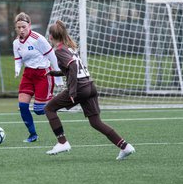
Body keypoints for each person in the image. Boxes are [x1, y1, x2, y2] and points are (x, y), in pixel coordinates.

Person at [45, 20, 135, 160]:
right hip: (89, 85)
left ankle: (62, 142)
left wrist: (73, 91)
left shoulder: (60, 50)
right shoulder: (70, 48)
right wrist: (55, 73)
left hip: (80, 88)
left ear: (50, 37)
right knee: (96, 122)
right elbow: (72, 69)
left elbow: (74, 66)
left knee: (49, 109)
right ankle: (125, 146)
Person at [13, 12, 63, 143]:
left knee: (39, 110)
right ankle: (33, 135)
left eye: (23, 27)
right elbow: (18, 59)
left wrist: (58, 77)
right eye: (18, 27)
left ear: (29, 25)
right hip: (28, 74)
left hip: (43, 74)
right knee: (23, 106)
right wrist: (17, 69)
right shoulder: (16, 43)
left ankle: (56, 104)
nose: (21, 30)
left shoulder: (38, 39)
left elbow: (52, 56)